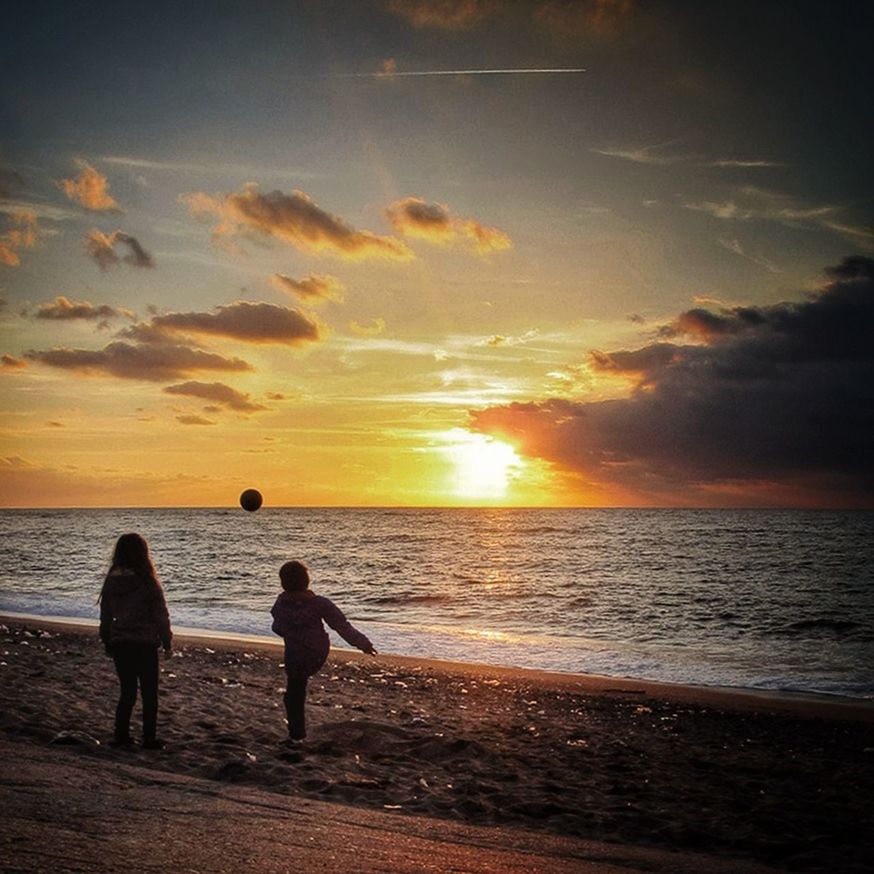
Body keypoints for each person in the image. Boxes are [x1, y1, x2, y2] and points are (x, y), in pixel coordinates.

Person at [271, 560, 376, 742]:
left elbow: (277, 628)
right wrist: (363, 644)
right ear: (307, 580)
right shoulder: (319, 603)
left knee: (294, 691)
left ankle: (296, 735)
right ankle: (297, 734)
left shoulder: (281, 604)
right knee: (295, 689)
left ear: (283, 582)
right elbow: (342, 626)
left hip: (296, 653)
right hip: (317, 650)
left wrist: (292, 627)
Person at [99, 533, 172, 749]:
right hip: (145, 643)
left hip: (121, 641)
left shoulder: (111, 580)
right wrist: (166, 639)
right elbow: (160, 613)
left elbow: (105, 614)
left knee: (127, 691)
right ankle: (149, 738)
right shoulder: (147, 581)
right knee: (149, 693)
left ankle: (121, 735)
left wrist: (106, 638)